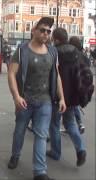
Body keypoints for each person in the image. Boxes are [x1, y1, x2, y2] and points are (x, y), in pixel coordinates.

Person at [7, 17, 66, 180]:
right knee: (19, 130)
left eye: (48, 31)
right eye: (42, 30)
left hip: (45, 101)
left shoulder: (53, 51)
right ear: (34, 30)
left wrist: (62, 98)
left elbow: (57, 76)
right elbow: (11, 73)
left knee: (41, 135)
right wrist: (16, 96)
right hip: (25, 100)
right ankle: (15, 155)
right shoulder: (22, 50)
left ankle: (40, 172)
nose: (46, 33)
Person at [47, 28, 87, 167]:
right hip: (73, 97)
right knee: (70, 123)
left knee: (54, 124)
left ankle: (56, 152)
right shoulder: (76, 52)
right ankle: (80, 149)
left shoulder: (54, 52)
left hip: (57, 96)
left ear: (56, 39)